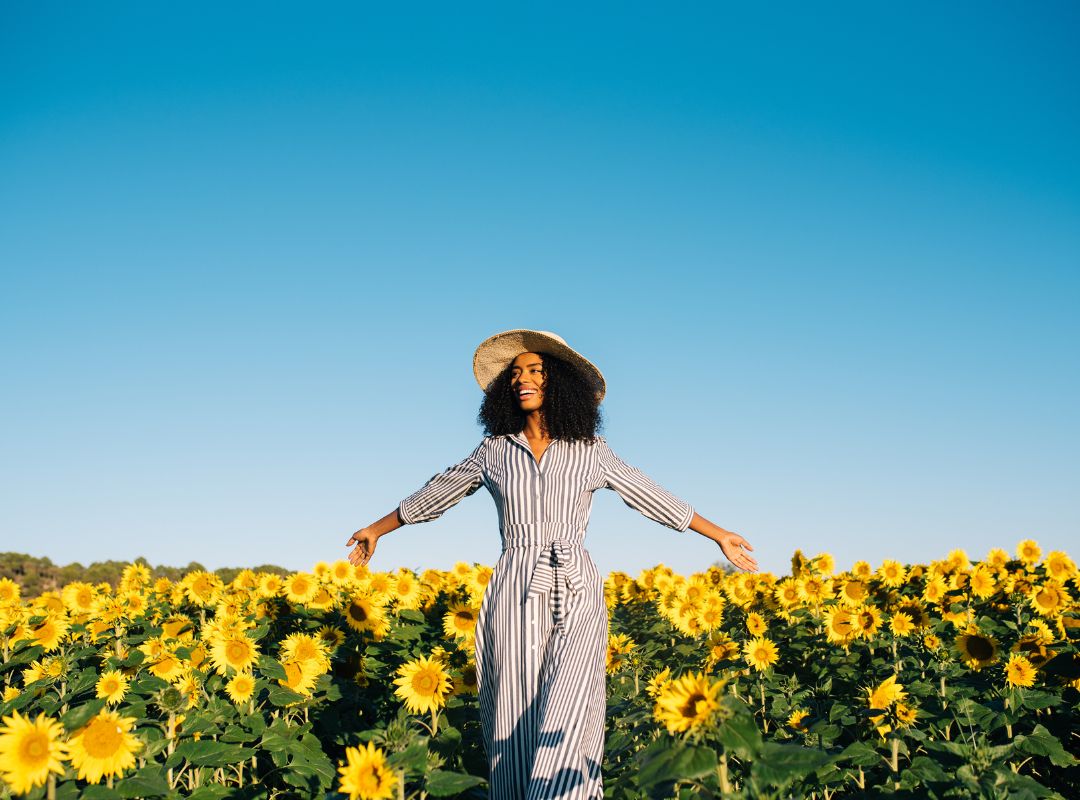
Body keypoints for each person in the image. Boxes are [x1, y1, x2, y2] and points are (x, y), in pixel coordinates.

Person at [345, 329, 756, 800]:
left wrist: (718, 534)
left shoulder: (591, 452)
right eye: (515, 373)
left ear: (558, 381)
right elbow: (437, 492)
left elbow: (650, 495)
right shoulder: (494, 451)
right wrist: (377, 528)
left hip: (576, 586)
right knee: (511, 713)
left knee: (571, 705)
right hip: (514, 586)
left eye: (535, 370)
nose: (522, 379)